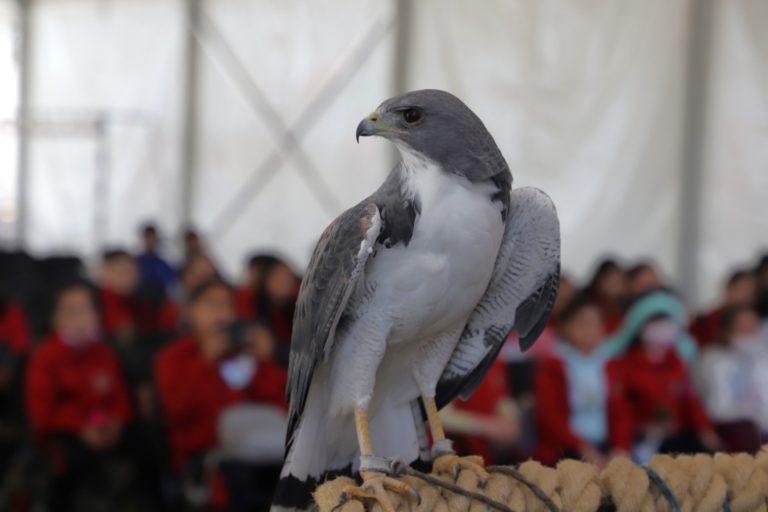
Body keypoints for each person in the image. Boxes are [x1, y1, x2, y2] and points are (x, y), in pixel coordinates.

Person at [154, 279, 286, 508]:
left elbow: (280, 403)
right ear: (189, 312)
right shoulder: (173, 358)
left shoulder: (244, 352)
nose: (222, 313)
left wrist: (267, 360)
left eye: (227, 305)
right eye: (212, 305)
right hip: (209, 459)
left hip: (263, 451)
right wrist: (205, 361)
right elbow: (178, 412)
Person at [25, 281, 133, 511]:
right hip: (66, 434)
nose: (80, 317)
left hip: (105, 429)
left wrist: (116, 423)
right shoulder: (45, 357)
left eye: (86, 309)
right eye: (71, 310)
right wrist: (82, 427)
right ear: (55, 317)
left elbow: (120, 398)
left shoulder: (103, 352)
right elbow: (43, 414)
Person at [608, 292, 719, 462]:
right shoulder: (625, 365)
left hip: (677, 437)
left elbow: (689, 398)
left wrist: (705, 430)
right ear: (640, 325)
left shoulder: (676, 363)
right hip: (641, 440)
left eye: (668, 322)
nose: (664, 328)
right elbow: (621, 409)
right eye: (656, 322)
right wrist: (623, 444)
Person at [534, 293, 631, 467]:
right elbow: (549, 417)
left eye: (596, 324)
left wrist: (619, 448)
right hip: (564, 451)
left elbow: (619, 410)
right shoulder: (554, 363)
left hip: (603, 446)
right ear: (567, 327)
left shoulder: (607, 363)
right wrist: (583, 448)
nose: (591, 331)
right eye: (584, 324)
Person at [697, 306, 768, 452]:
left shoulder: (762, 357)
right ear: (727, 331)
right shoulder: (714, 359)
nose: (749, 334)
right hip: (732, 426)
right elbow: (719, 408)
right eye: (742, 328)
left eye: (752, 328)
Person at [440, 360, 520, 465]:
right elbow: (437, 415)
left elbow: (501, 397)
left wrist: (509, 422)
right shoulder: (452, 362)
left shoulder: (494, 358)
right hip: (452, 456)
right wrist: (486, 426)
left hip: (486, 455)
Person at [691, 269, 757, 346]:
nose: (745, 297)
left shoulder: (755, 322)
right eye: (741, 290)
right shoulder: (705, 321)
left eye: (749, 293)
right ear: (728, 288)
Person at [98, 249, 140, 342]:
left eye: (131, 272)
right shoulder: (95, 304)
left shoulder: (141, 303)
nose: (128, 279)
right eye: (122, 272)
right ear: (106, 272)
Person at [585, 259, 627, 335]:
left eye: (621, 282)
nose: (619, 287)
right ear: (600, 282)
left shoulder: (628, 307)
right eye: (615, 283)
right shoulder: (589, 307)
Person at [136, 223, 177, 292]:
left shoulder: (163, 265)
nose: (150, 241)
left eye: (152, 238)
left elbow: (171, 283)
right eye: (148, 237)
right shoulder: (136, 263)